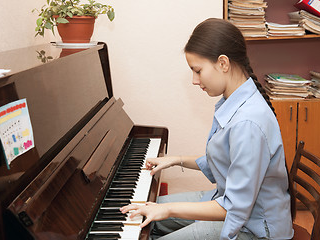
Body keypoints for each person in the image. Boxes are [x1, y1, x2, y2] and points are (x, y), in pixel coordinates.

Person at [120, 18, 294, 240]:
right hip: (231, 204)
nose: (194, 80)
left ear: (223, 63)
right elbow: (222, 160)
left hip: (254, 228)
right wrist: (176, 159)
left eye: (198, 71)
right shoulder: (235, 101)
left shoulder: (248, 122)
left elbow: (233, 208)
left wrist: (168, 210)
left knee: (154, 214)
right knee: (140, 212)